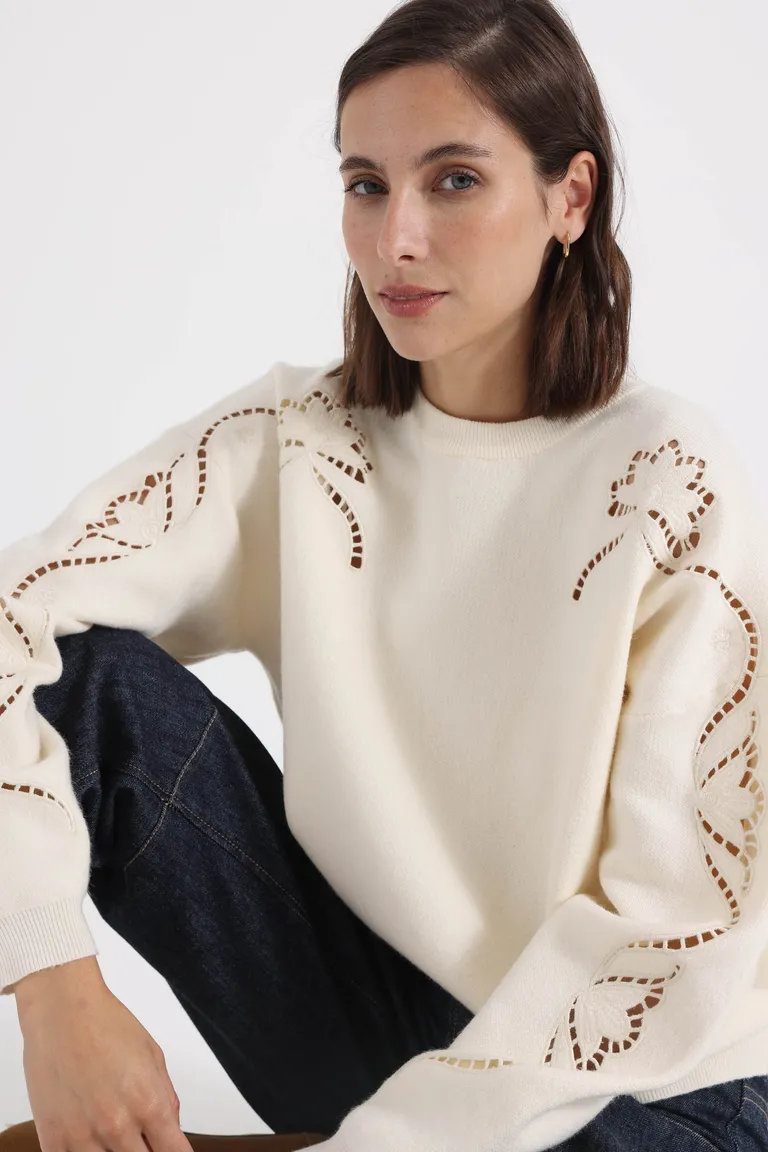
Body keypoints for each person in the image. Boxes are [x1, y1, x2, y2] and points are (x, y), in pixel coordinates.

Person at [2, 0, 767, 1149]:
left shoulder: (671, 482)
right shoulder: (297, 441)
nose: (395, 238)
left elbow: (670, 941)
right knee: (89, 681)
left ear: (571, 197)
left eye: (454, 180)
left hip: (651, 1085)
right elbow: (13, 619)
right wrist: (51, 981)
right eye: (366, 184)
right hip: (380, 1028)